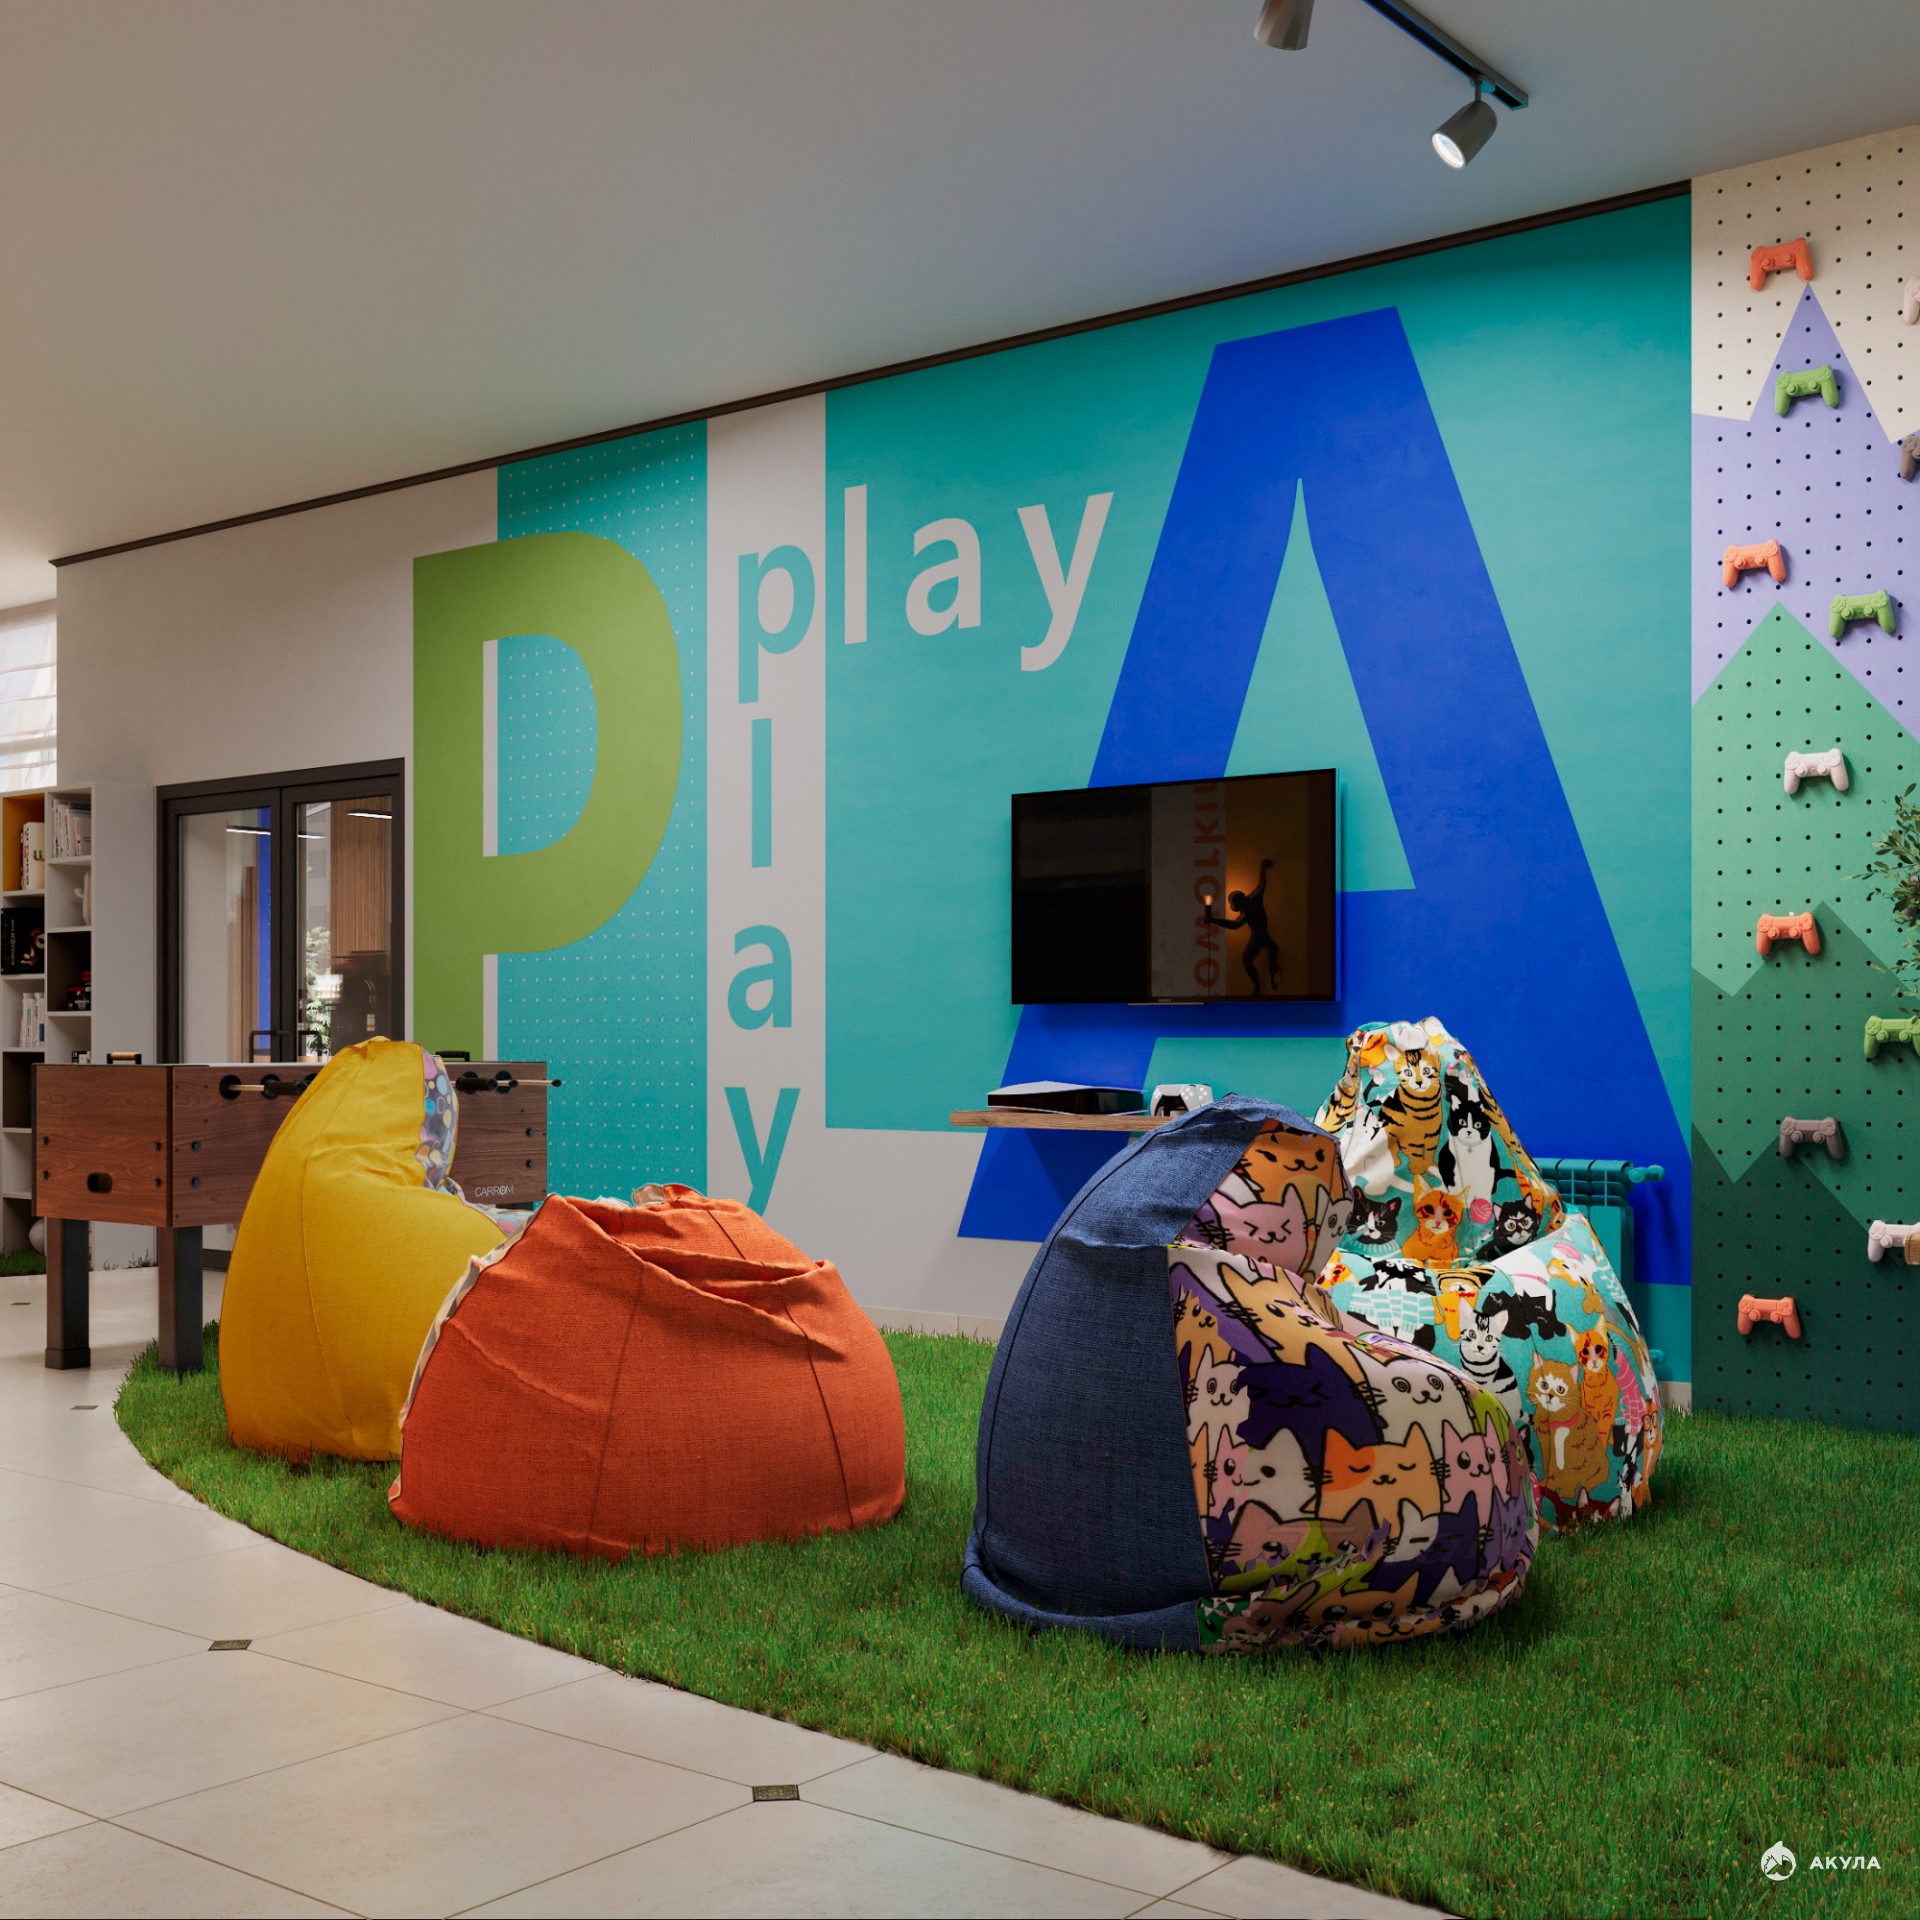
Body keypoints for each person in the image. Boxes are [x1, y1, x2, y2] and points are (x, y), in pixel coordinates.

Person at [1204, 858, 1281, 995]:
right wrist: (1263, 867)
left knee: (1247, 960)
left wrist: (1213, 920)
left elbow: (1234, 925)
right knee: (1260, 953)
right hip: (1262, 936)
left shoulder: (1249, 908)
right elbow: (1262, 884)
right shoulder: (1254, 901)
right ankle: (1263, 979)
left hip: (1259, 936)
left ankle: (1259, 983)